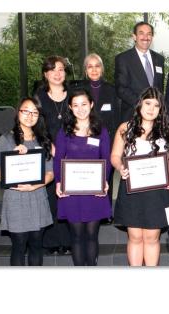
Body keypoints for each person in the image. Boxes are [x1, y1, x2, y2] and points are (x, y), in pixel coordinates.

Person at [111, 87, 169, 266]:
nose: (151, 109)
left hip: (157, 191)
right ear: (140, 104)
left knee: (151, 237)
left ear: (161, 109)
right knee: (135, 236)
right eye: (148, 103)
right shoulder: (125, 128)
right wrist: (120, 167)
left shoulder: (166, 129)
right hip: (132, 188)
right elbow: (115, 156)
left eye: (156, 105)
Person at [54, 89, 112, 266]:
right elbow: (58, 160)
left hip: (94, 191)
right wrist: (58, 182)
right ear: (70, 108)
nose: (80, 109)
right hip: (72, 192)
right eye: (76, 105)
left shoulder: (101, 131)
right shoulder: (64, 131)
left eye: (84, 104)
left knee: (92, 235)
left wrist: (104, 181)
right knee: (77, 236)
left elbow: (107, 159)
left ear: (91, 104)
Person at [0, 97, 54, 266]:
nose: (30, 116)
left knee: (36, 245)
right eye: (26, 111)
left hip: (38, 197)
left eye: (34, 112)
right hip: (15, 199)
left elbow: (50, 173)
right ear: (18, 113)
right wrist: (13, 156)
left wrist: (34, 186)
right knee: (19, 246)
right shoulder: (6, 139)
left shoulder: (43, 139)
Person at [34, 55, 72, 255]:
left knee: (69, 196)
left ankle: (69, 241)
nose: (57, 73)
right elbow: (36, 126)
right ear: (45, 74)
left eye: (61, 69)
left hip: (72, 153)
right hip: (48, 152)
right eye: (52, 70)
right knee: (51, 197)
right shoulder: (39, 97)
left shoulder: (73, 95)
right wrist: (51, 146)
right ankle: (51, 242)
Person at [80, 53, 119, 205]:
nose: (94, 70)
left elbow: (116, 118)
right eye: (90, 66)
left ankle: (106, 210)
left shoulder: (112, 90)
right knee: (87, 176)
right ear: (85, 70)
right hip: (83, 141)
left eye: (97, 66)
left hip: (106, 142)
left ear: (102, 69)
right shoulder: (78, 90)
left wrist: (115, 143)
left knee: (106, 177)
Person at [115, 21, 165, 122]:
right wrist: (143, 105)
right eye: (141, 33)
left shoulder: (159, 59)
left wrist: (156, 107)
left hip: (155, 116)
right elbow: (121, 89)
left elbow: (160, 88)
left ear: (152, 37)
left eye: (149, 34)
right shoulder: (123, 58)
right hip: (133, 115)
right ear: (134, 37)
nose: (145, 37)